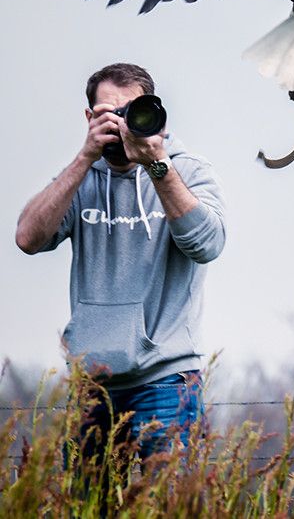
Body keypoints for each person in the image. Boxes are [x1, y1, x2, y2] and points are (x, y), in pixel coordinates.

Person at [15, 63, 226, 465]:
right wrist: (84, 157)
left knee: (166, 506)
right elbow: (27, 238)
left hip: (166, 378)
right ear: (90, 118)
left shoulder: (188, 171)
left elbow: (207, 244)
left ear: (151, 110)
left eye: (131, 112)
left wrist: (156, 165)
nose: (122, 124)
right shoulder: (82, 179)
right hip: (92, 385)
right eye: (108, 114)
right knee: (89, 504)